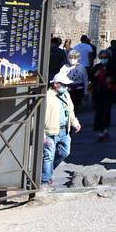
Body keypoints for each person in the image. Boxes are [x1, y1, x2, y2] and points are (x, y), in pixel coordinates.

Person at [44, 53, 83, 185]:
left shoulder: (66, 95)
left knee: (64, 153)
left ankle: (46, 172)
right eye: (64, 85)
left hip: (64, 130)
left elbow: (70, 110)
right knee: (48, 155)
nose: (66, 87)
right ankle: (45, 179)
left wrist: (74, 122)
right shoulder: (47, 97)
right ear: (55, 84)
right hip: (51, 130)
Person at [91, 50, 116, 141]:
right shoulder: (97, 67)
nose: (103, 59)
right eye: (101, 57)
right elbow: (91, 77)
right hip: (98, 93)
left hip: (108, 93)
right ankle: (100, 132)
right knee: (98, 112)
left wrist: (112, 79)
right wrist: (95, 75)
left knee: (106, 111)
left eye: (105, 57)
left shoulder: (112, 67)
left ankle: (105, 130)